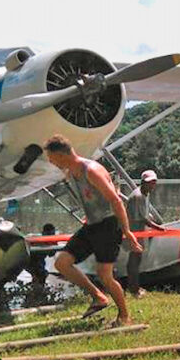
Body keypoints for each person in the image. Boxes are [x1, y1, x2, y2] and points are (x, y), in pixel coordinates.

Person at [44, 134, 142, 325]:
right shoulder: (70, 173)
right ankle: (98, 297)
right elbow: (90, 199)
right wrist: (89, 215)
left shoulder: (92, 171)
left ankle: (124, 317)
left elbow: (115, 200)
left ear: (61, 155)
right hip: (91, 224)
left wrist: (127, 231)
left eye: (51, 158)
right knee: (62, 263)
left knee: (105, 275)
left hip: (108, 225)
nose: (50, 162)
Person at [123, 170, 165, 297]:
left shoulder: (145, 194)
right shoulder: (138, 196)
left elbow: (146, 214)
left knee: (136, 259)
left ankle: (134, 287)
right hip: (133, 232)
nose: (152, 185)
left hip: (139, 231)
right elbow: (142, 219)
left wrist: (152, 222)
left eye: (153, 182)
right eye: (149, 183)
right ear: (143, 182)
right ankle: (134, 290)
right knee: (134, 260)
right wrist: (158, 228)